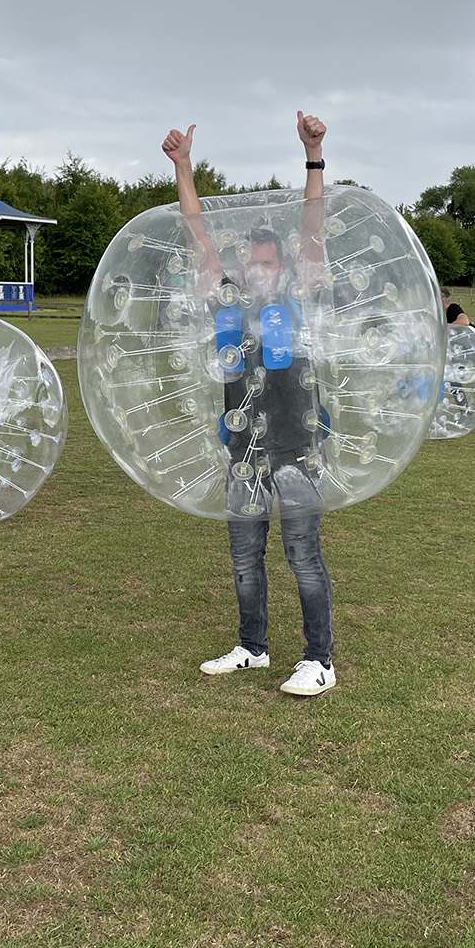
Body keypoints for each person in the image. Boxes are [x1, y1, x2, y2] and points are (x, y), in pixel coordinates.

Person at [162, 112, 336, 697]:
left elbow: (312, 229)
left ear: (282, 268)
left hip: (298, 448)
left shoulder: (298, 299)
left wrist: (313, 156)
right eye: (251, 264)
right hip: (243, 449)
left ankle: (320, 659)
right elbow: (197, 235)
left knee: (302, 557)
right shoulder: (226, 305)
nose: (258, 272)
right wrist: (183, 166)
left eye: (268, 263)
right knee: (244, 561)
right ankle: (253, 648)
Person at [440, 286, 475, 426]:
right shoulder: (438, 314)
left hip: (474, 346)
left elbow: (464, 321)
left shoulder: (452, 308)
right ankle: (465, 413)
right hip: (458, 349)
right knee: (453, 379)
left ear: (445, 301)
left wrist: (446, 327)